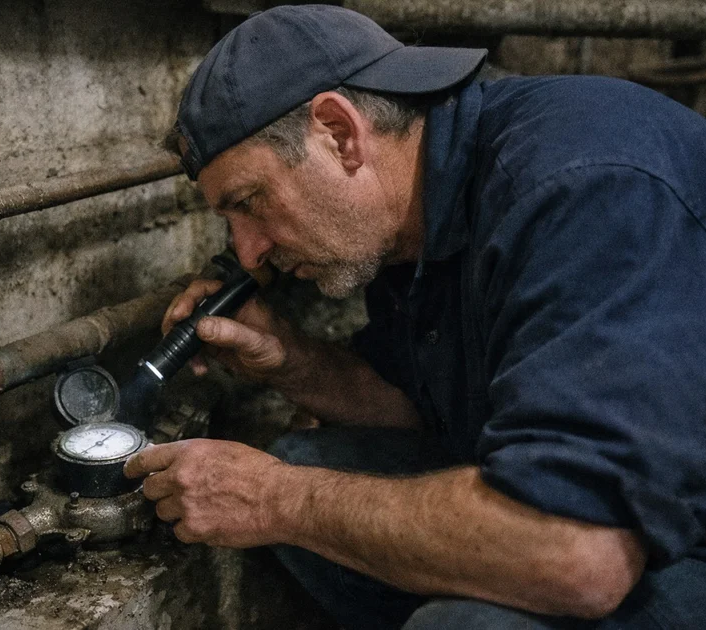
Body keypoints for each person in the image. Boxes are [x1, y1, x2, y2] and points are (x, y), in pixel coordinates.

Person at [122, 5, 706, 628]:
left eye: (249, 202)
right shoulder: (418, 206)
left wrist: (272, 499)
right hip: (621, 526)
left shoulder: (581, 188)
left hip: (659, 538)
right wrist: (292, 361)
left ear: (339, 132)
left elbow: (577, 551)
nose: (248, 251)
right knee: (311, 462)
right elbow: (430, 414)